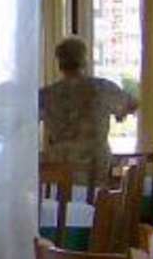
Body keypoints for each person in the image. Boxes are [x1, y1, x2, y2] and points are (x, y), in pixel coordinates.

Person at [38, 36, 138, 183]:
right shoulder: (103, 88)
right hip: (95, 168)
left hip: (59, 171)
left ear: (59, 63)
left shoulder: (46, 95)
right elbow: (132, 104)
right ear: (84, 61)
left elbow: (27, 120)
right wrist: (120, 115)